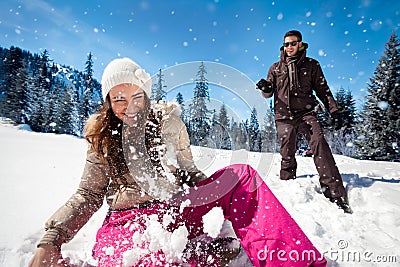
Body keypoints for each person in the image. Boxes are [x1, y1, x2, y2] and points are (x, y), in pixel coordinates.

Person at [29, 57, 327, 267]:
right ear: (108, 101)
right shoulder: (103, 136)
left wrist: (211, 199)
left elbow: (189, 173)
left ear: (145, 95)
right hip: (126, 223)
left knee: (240, 175)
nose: (128, 106)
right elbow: (88, 194)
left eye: (135, 96)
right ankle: (201, 255)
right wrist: (51, 241)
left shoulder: (168, 125)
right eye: (118, 98)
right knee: (151, 260)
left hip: (173, 210)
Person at [256, 30, 352, 214]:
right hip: (284, 117)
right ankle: (287, 187)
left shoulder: (312, 65)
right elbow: (267, 93)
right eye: (286, 44)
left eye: (293, 43)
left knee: (319, 144)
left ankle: (334, 191)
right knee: (287, 153)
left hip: (306, 113)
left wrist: (334, 110)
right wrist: (266, 88)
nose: (289, 47)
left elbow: (323, 90)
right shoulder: (275, 68)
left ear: (300, 44)